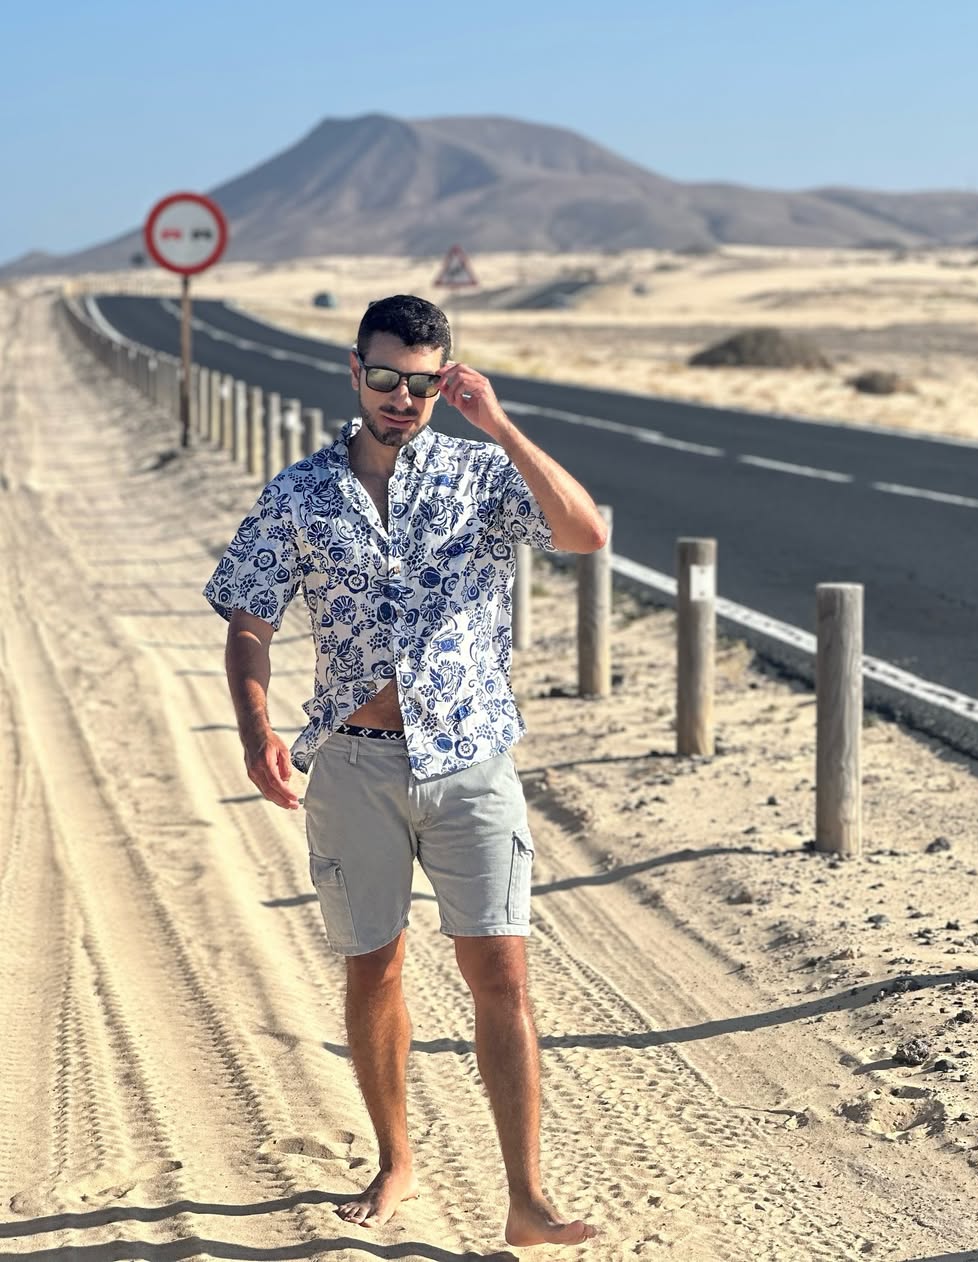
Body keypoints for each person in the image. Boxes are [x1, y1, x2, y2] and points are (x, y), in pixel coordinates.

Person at [204, 294, 606, 1248]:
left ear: (444, 381)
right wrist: (257, 730)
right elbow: (250, 621)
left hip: (471, 758)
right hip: (354, 763)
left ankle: (527, 1198)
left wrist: (499, 423)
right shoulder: (299, 494)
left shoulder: (482, 473)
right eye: (385, 377)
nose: (402, 398)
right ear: (356, 372)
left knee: (500, 971)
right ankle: (396, 1161)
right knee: (374, 967)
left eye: (422, 383)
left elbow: (586, 533)